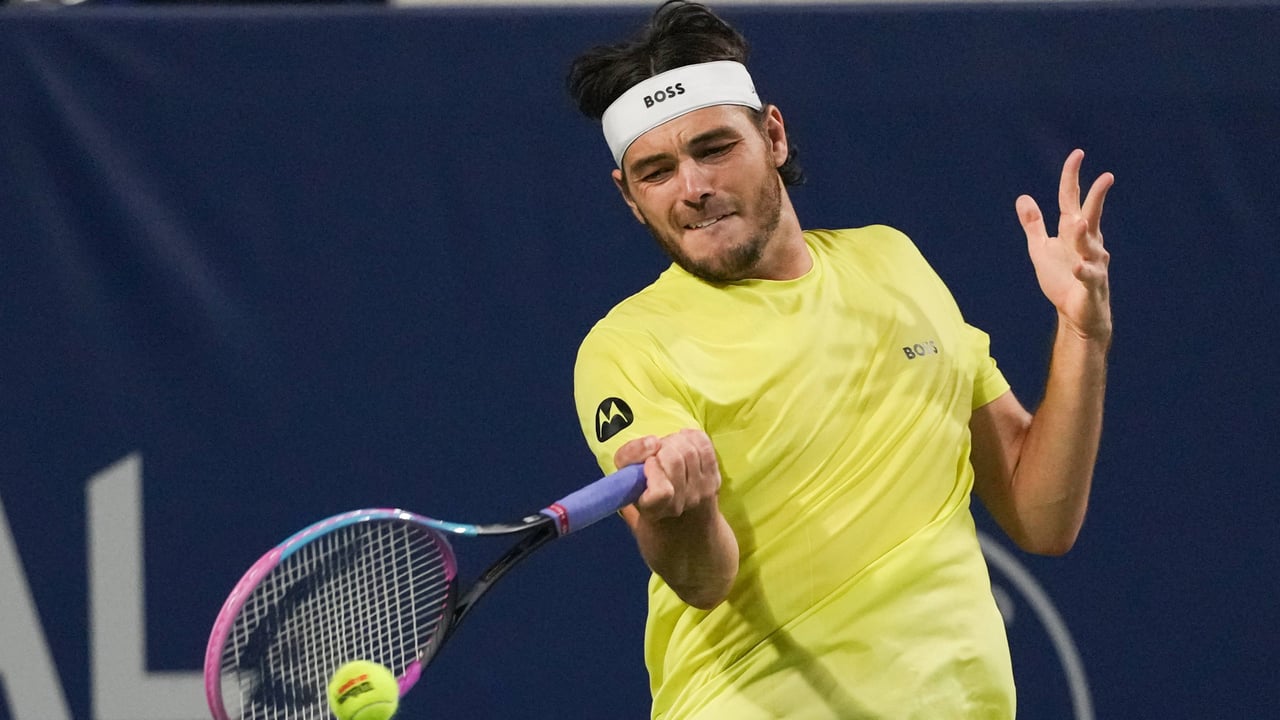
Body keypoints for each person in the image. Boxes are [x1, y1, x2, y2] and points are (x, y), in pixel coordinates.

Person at [566, 2, 1113, 718]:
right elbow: (702, 580)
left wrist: (1081, 334)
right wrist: (682, 512)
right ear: (630, 197)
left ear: (773, 135)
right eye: (657, 172)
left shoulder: (892, 260)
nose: (692, 188)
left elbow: (1041, 516)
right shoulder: (628, 346)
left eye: (714, 149)